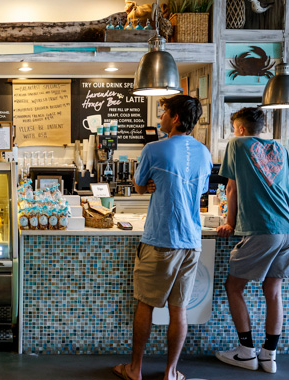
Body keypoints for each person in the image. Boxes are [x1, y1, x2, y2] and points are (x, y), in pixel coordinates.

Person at [113, 95, 212, 380]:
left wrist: (149, 186)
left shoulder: (154, 149)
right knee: (178, 308)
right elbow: (202, 189)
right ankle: (170, 372)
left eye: (164, 112)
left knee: (145, 303)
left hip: (161, 239)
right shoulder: (205, 153)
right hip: (192, 241)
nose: (160, 117)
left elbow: (140, 186)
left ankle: (135, 369)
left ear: (176, 118)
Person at [215, 107, 289, 374]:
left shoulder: (237, 144)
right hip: (288, 231)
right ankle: (269, 356)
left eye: (234, 128)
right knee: (273, 292)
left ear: (240, 128)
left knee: (234, 287)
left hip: (262, 229)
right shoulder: (281, 148)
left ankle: (245, 352)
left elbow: (231, 187)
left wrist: (230, 222)